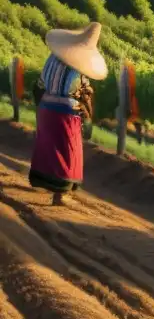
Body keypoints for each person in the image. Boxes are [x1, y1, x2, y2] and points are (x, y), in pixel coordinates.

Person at [29, 22, 107, 206]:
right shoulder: (78, 71)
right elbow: (85, 93)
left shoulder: (51, 60)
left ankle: (46, 184)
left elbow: (39, 85)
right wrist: (89, 109)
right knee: (68, 152)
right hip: (65, 113)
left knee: (48, 148)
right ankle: (59, 196)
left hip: (46, 108)